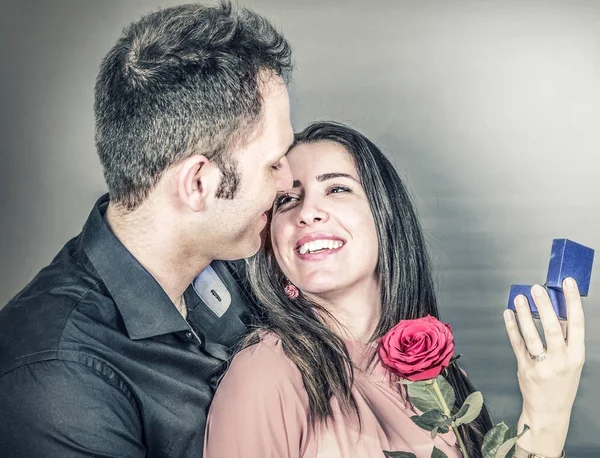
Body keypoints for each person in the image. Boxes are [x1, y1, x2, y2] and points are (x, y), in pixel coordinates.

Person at [0, 2, 294, 457]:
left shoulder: (239, 256)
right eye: (273, 164)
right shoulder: (58, 381)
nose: (288, 182)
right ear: (198, 183)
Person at [204, 122, 585, 458]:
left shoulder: (440, 377)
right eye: (287, 199)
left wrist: (547, 412)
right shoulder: (267, 372)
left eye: (336, 188)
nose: (306, 212)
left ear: (387, 218)